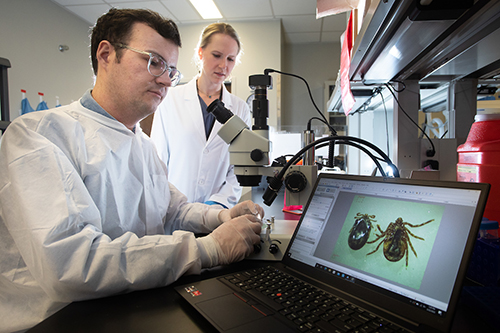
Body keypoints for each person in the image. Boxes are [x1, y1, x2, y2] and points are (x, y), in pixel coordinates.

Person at [0, 8, 263, 333]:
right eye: (154, 61)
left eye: (171, 70)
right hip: (55, 318)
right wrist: (208, 248)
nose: (166, 79)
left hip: (129, 304)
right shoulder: (40, 135)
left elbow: (172, 210)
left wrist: (221, 217)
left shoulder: (142, 144)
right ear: (106, 54)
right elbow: (70, 265)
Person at [150, 22, 251, 209]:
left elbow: (238, 169)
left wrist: (217, 205)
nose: (223, 66)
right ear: (200, 52)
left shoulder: (240, 108)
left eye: (230, 59)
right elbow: (158, 159)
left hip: (217, 213)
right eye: (217, 55)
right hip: (173, 210)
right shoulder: (170, 98)